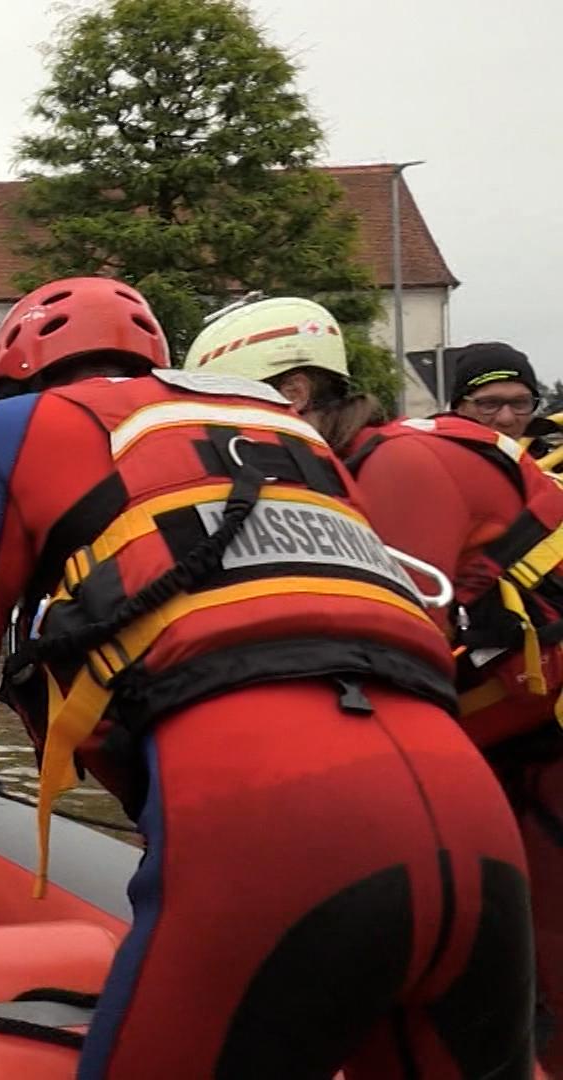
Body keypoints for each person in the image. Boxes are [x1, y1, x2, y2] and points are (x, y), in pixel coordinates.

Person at [0, 277, 534, 1080]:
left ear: (14, 377)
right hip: (479, 825)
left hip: (271, 833)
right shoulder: (295, 435)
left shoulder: (0, 432)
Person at [193, 296, 563, 1070]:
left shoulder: (396, 467)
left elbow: (403, 663)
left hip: (540, 758)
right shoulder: (369, 464)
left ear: (291, 395)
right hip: (516, 747)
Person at [446, 341, 543, 439]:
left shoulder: (548, 453)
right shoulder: (434, 452)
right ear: (459, 408)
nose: (506, 419)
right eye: (489, 404)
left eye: (519, 403)